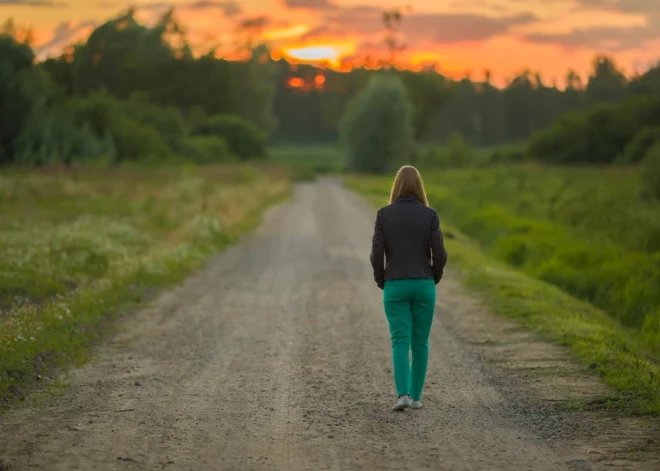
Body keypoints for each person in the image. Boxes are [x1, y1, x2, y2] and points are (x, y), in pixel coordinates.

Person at [370, 165, 448, 411]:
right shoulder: (430, 215)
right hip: (424, 283)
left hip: (395, 283)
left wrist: (382, 279)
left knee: (400, 340)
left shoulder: (384, 214)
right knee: (421, 341)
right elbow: (440, 253)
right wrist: (434, 276)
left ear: (396, 186)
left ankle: (402, 394)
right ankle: (416, 398)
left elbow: (376, 254)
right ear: (420, 186)